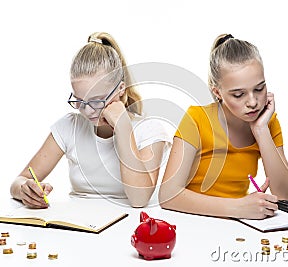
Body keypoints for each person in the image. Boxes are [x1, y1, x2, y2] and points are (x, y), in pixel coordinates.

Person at [10, 32, 171, 208]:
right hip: (80, 227)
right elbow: (20, 181)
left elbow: (139, 199)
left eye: (96, 100)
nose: (87, 110)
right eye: (79, 100)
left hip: (127, 227)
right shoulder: (70, 126)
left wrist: (123, 127)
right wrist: (25, 190)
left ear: (121, 89)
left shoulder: (150, 130)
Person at [159, 34, 288, 219]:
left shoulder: (267, 122)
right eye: (239, 94)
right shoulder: (197, 119)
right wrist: (237, 208)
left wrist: (261, 131)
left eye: (259, 89)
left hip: (239, 225)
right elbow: (168, 195)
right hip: (192, 220)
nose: (253, 102)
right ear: (218, 92)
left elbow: (286, 196)